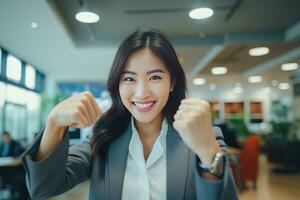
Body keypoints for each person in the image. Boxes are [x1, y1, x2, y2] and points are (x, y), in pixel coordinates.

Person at [21, 28, 238, 200]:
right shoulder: (102, 138)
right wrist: (54, 123)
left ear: (172, 82)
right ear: (117, 85)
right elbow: (42, 188)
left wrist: (207, 151)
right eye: (129, 79)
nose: (142, 93)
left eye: (154, 77)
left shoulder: (204, 136)